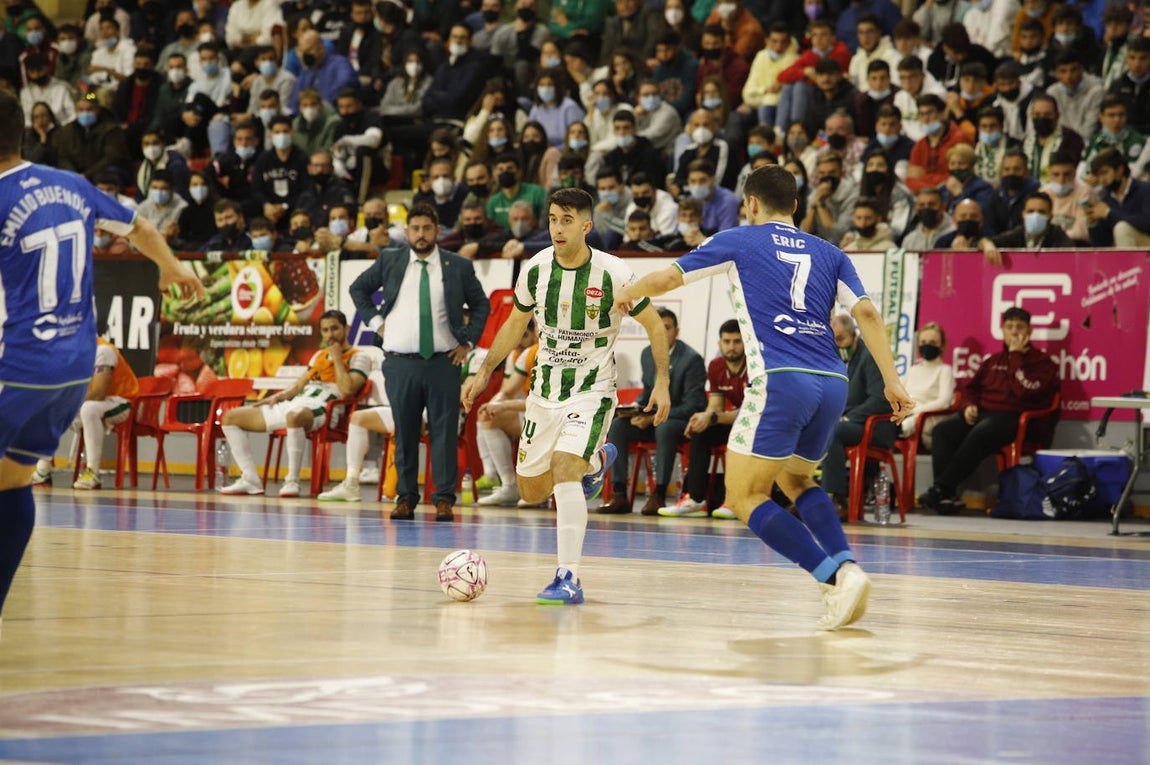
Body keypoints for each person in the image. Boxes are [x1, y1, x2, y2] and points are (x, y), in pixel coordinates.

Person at [612, 164, 913, 631]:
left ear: (750, 204)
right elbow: (868, 313)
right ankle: (846, 568)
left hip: (781, 378)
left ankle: (834, 577)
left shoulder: (738, 239)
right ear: (795, 206)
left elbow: (669, 280)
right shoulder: (831, 252)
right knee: (797, 481)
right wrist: (893, 381)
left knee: (744, 494)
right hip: (833, 382)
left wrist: (625, 293)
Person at [0, 90, 203, 627]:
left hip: (15, 363)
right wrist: (171, 268)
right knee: (13, 481)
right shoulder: (72, 184)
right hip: (72, 363)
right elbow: (142, 227)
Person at [461, 188, 672, 605]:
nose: (558, 227)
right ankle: (597, 461)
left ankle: (567, 577)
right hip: (544, 392)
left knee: (564, 470)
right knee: (531, 491)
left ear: (586, 226)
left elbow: (655, 325)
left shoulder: (614, 273)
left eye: (567, 220)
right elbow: (513, 323)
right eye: (554, 219)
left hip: (592, 389)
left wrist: (662, 380)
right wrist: (485, 371)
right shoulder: (536, 269)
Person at [350, 205, 491, 523]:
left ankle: (443, 499)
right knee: (405, 432)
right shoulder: (390, 259)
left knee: (444, 433)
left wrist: (467, 342)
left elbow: (481, 304)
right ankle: (405, 497)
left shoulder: (457, 265)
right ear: (407, 231)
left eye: (427, 228)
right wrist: (375, 321)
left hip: (443, 361)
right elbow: (358, 289)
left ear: (437, 230)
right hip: (400, 362)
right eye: (415, 228)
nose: (421, 234)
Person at [918, 307, 1059, 516]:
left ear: (1029, 331)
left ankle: (941, 488)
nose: (1014, 332)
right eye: (1009, 327)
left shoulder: (1041, 363)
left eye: (1019, 328)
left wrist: (1015, 358)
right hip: (983, 415)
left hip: (1016, 420)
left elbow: (1024, 393)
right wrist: (968, 407)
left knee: (982, 431)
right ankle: (946, 495)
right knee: (943, 430)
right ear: (1002, 330)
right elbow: (971, 390)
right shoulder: (992, 362)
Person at [219, 310, 370, 498]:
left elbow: (348, 390)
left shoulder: (359, 356)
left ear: (346, 329)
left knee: (294, 416)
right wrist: (279, 397)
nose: (330, 335)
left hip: (325, 408)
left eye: (334, 329)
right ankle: (250, 478)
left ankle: (292, 481)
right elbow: (299, 385)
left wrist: (338, 359)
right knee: (230, 417)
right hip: (298, 402)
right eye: (325, 330)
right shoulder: (318, 356)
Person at [596, 307, 706, 515]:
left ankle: (659, 494)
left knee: (665, 427)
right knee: (619, 425)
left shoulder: (691, 359)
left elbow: (695, 405)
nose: (662, 333)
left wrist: (654, 417)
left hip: (679, 422)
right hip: (653, 420)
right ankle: (619, 494)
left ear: (677, 331)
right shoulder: (647, 354)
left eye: (667, 328)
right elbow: (648, 391)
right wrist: (636, 409)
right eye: (658, 328)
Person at [658, 318, 746, 519]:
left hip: (760, 424)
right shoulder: (716, 366)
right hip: (735, 422)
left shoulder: (756, 365)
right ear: (719, 344)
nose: (731, 347)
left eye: (737, 341)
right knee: (701, 430)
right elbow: (715, 406)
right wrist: (703, 417)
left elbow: (751, 412)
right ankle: (695, 500)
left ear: (746, 342)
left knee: (741, 436)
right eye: (727, 341)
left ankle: (736, 500)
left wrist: (713, 417)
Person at [32, 337, 139, 490]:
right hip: (88, 403)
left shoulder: (103, 351)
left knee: (88, 408)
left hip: (120, 402)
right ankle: (43, 471)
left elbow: (98, 393)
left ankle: (92, 473)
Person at [817, 314, 897, 514]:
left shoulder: (870, 357)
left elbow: (879, 400)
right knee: (807, 429)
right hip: (850, 424)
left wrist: (847, 417)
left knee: (832, 431)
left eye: (841, 338)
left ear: (854, 336)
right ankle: (803, 496)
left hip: (873, 427)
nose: (838, 344)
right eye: (834, 340)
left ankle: (837, 500)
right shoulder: (836, 360)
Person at [899, 322, 956, 450]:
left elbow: (944, 402)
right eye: (923, 342)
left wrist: (915, 411)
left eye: (932, 342)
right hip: (907, 415)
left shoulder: (944, 370)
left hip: (929, 418)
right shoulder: (913, 370)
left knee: (906, 424)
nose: (927, 346)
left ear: (942, 346)